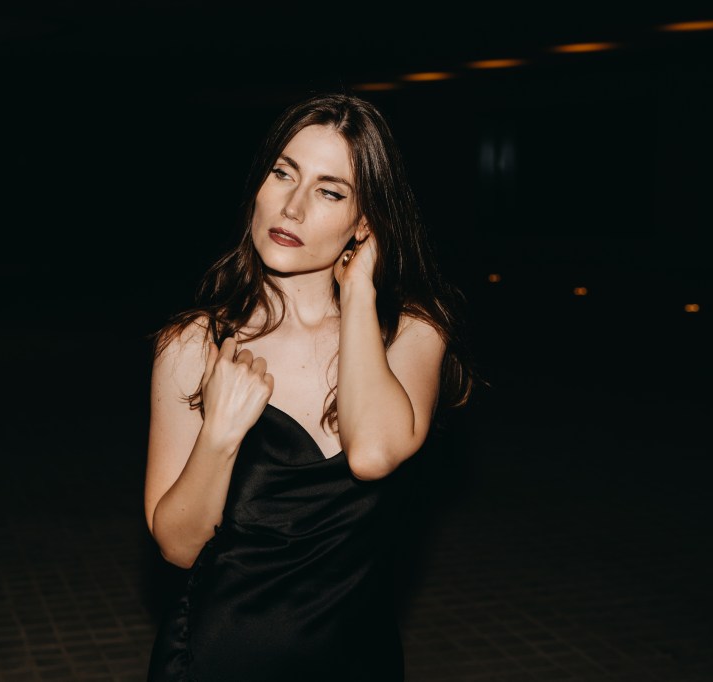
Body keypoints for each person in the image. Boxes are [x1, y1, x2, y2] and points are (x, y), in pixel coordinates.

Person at [143, 91, 476, 681]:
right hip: (219, 662)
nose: (292, 207)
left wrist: (359, 292)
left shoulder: (412, 332)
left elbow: (372, 452)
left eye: (330, 192)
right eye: (282, 173)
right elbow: (178, 547)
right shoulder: (194, 344)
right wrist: (219, 435)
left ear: (365, 222)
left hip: (360, 664)